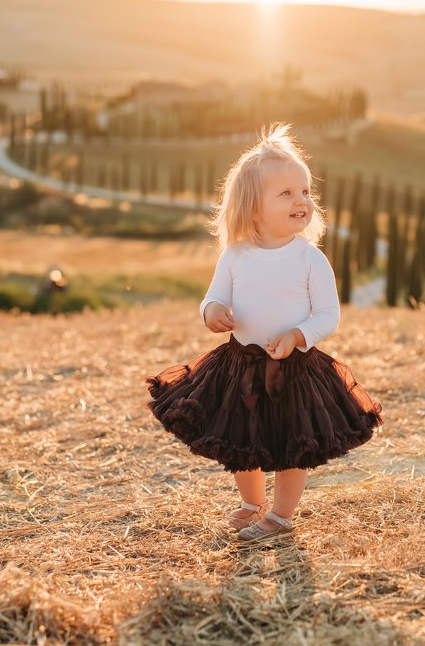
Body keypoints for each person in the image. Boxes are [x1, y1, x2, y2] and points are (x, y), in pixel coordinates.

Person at [146, 123, 382, 542]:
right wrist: (213, 311)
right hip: (240, 364)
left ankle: (282, 514)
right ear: (253, 208)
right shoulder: (236, 255)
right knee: (243, 440)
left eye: (306, 191)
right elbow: (211, 298)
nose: (302, 201)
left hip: (294, 368)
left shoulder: (309, 260)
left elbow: (329, 315)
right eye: (287, 193)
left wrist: (297, 335)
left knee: (294, 445)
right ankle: (252, 503)